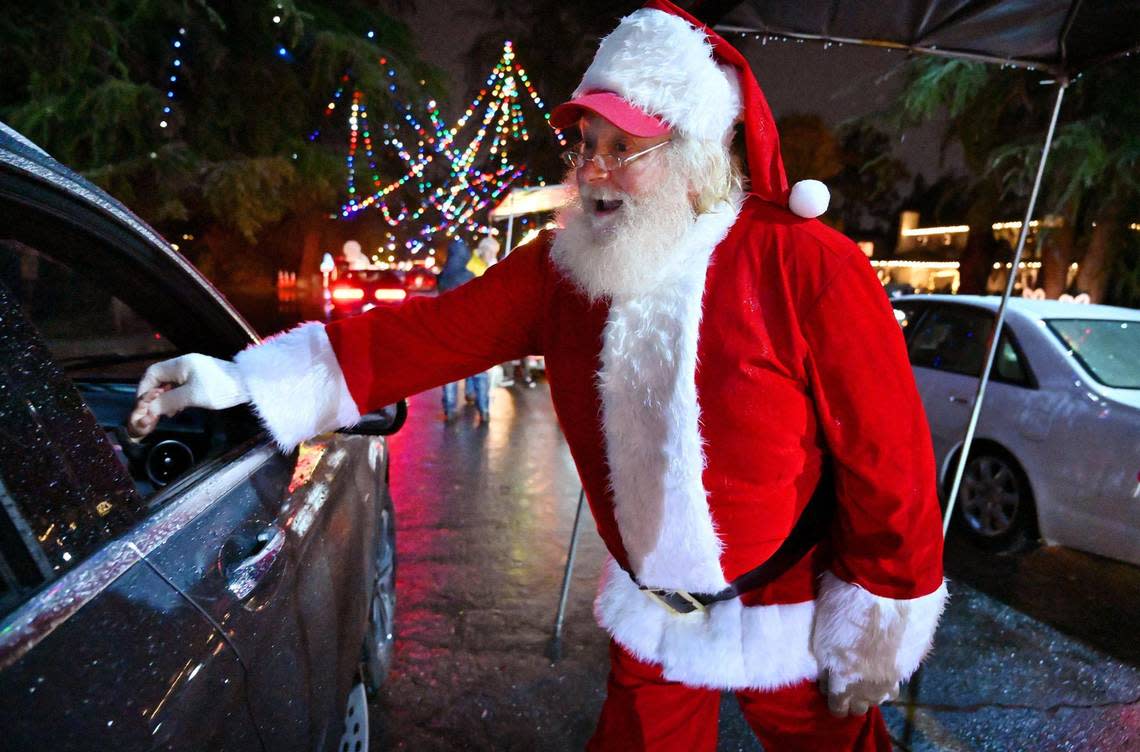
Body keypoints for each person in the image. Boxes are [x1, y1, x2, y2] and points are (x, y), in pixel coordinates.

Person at [132, 3, 946, 749]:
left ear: (694, 156)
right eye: (586, 144)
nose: (592, 169)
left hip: (793, 611)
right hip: (656, 619)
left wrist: (878, 622)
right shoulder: (564, 273)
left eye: (622, 149)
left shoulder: (806, 264)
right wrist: (242, 379)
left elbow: (889, 459)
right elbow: (420, 337)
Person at [434, 236, 490, 422]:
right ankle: (484, 410)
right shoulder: (471, 277)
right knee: (479, 373)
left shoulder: (442, 278)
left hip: (448, 332)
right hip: (472, 331)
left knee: (449, 374)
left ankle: (449, 409)